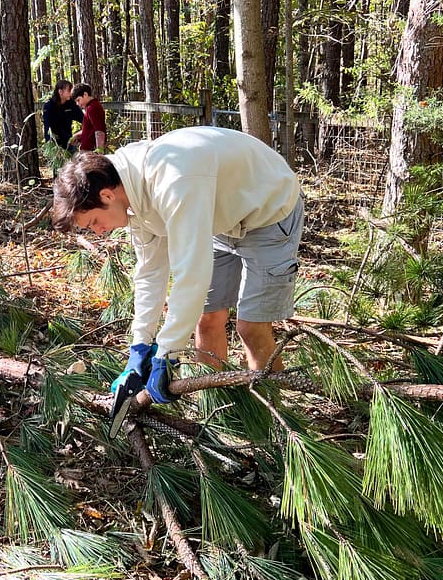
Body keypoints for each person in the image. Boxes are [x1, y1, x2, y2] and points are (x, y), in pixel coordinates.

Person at [52, 126, 303, 404]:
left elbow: (191, 273)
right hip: (218, 217)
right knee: (207, 320)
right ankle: (215, 410)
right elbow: (150, 273)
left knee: (251, 326)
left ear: (107, 196)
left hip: (268, 210)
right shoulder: (131, 197)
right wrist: (141, 345)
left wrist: (168, 352)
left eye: (93, 223)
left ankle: (271, 419)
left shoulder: (173, 180)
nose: (98, 232)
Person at [42, 79, 83, 153]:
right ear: (60, 91)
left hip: (69, 141)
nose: (71, 93)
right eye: (69, 90)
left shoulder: (71, 104)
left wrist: (80, 135)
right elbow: (47, 127)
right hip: (54, 143)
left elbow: (83, 119)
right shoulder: (49, 106)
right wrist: (49, 145)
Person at [71, 83, 106, 152]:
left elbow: (99, 130)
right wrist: (77, 136)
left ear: (85, 95)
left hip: (91, 151)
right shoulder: (91, 107)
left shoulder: (92, 108)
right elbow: (90, 130)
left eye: (78, 100)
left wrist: (99, 149)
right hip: (88, 149)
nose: (77, 104)